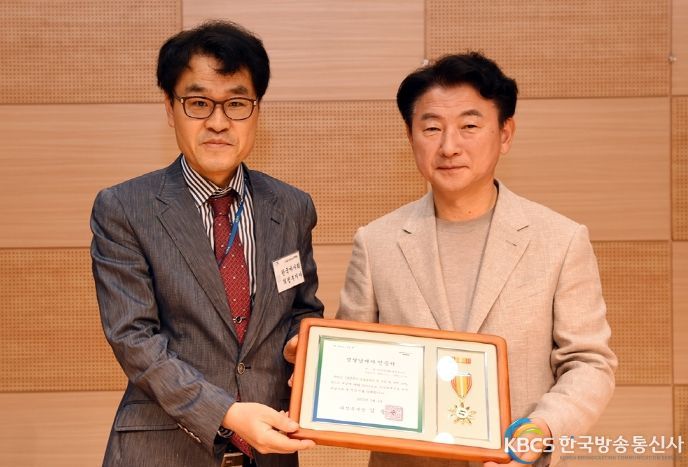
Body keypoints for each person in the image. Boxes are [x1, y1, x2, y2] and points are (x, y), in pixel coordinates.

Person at [336, 52, 617, 467]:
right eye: (432, 128)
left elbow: (589, 363)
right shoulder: (376, 242)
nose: (449, 146)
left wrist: (540, 430)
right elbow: (354, 360)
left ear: (505, 134)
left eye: (469, 126)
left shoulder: (560, 239)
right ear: (410, 136)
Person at [90, 21, 322, 467]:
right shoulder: (124, 208)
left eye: (236, 103)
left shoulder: (292, 207)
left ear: (256, 109)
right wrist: (228, 414)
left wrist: (300, 342)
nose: (218, 122)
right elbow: (134, 339)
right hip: (162, 450)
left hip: (270, 451)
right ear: (169, 107)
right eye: (198, 103)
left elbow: (302, 309)